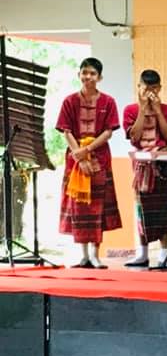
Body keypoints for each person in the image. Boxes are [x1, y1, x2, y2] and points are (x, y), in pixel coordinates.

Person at [56, 57, 122, 268]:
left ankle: (95, 254)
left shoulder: (108, 102)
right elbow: (66, 131)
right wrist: (79, 154)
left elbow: (108, 132)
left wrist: (87, 150)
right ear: (79, 75)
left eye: (93, 73)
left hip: (99, 159)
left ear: (99, 77)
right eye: (84, 72)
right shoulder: (69, 101)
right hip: (75, 161)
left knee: (97, 207)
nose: (88, 76)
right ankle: (83, 255)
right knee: (79, 207)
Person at [123, 69, 167, 268]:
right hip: (141, 165)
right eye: (146, 88)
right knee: (142, 208)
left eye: (154, 89)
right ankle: (143, 253)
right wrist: (142, 109)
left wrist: (157, 111)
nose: (150, 93)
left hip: (162, 164)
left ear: (160, 88)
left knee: (164, 208)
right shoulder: (130, 110)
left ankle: (164, 254)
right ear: (139, 87)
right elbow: (134, 137)